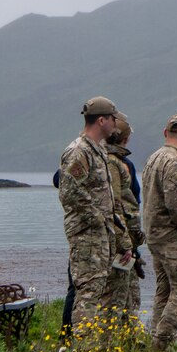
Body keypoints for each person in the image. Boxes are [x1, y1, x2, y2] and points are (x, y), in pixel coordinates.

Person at [57, 97, 127, 334]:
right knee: (87, 291)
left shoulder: (98, 151)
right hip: (87, 235)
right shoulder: (79, 151)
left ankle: (88, 345)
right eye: (113, 118)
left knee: (95, 289)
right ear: (101, 120)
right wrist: (96, 217)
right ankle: (81, 348)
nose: (116, 123)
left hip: (100, 234)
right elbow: (68, 192)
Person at [142, 113, 177, 350]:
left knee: (164, 290)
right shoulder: (175, 163)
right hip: (171, 238)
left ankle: (154, 336)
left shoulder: (153, 158)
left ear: (165, 133)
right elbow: (175, 203)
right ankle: (161, 342)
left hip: (154, 235)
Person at [105, 112, 147, 324]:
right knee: (119, 297)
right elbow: (118, 205)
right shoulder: (116, 164)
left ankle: (129, 337)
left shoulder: (110, 161)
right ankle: (113, 341)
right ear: (125, 138)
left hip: (123, 239)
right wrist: (127, 242)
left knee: (129, 296)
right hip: (120, 240)